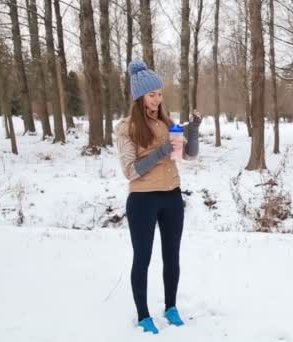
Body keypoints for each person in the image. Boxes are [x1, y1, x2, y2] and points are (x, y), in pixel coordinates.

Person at [116, 60, 201, 334]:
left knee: (172, 256)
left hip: (172, 198)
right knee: (142, 257)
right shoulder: (126, 127)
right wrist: (160, 152)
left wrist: (194, 131)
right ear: (139, 96)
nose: (157, 99)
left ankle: (171, 307)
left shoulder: (168, 122)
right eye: (152, 94)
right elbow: (130, 171)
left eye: (160, 94)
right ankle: (143, 315)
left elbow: (188, 155)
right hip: (143, 200)